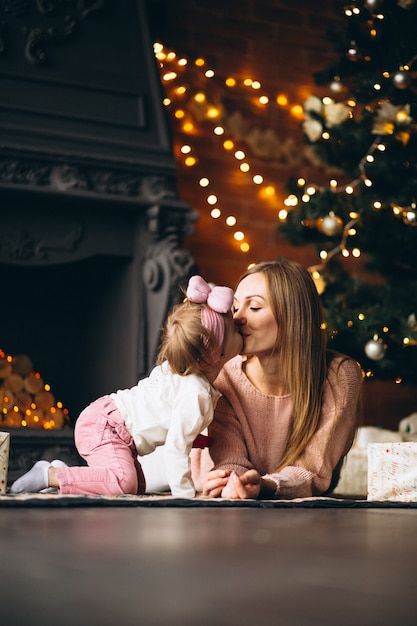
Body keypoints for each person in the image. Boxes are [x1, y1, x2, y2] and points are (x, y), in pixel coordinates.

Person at [10, 275, 243, 499]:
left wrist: (198, 437)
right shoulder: (196, 393)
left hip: (107, 422)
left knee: (136, 489)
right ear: (215, 353)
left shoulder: (182, 374)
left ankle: (66, 473)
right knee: (124, 483)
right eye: (233, 328)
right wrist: (185, 497)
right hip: (106, 427)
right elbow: (175, 448)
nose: (240, 324)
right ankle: (48, 475)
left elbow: (170, 418)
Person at [192, 258, 363, 499]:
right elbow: (230, 460)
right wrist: (234, 480)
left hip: (292, 503)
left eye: (254, 308)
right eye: (235, 307)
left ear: (293, 317)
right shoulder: (223, 373)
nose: (237, 318)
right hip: (198, 482)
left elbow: (313, 470)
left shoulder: (339, 375)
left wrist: (267, 485)